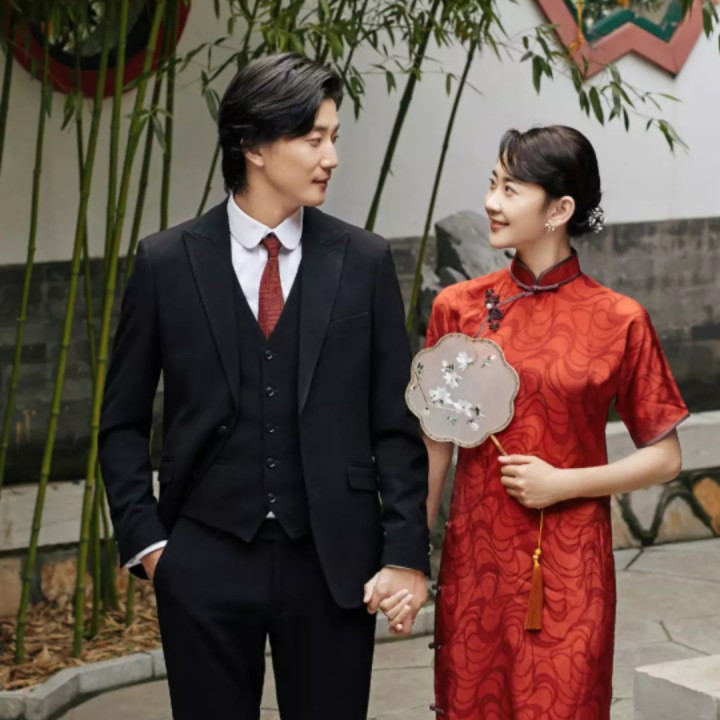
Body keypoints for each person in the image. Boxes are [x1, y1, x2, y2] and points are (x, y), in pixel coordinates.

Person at [98, 53, 429, 720]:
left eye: (333, 137)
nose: (331, 157)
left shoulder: (363, 260)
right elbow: (121, 422)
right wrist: (153, 547)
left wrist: (404, 554)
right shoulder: (166, 263)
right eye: (313, 138)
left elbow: (395, 427)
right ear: (253, 146)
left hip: (333, 562)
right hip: (204, 559)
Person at [423, 126, 688, 719]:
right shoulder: (458, 309)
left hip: (570, 569)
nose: (491, 202)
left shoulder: (619, 319)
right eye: (492, 184)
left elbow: (666, 456)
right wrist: (409, 554)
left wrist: (563, 483)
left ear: (559, 210)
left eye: (510, 189)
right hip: (477, 565)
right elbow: (436, 442)